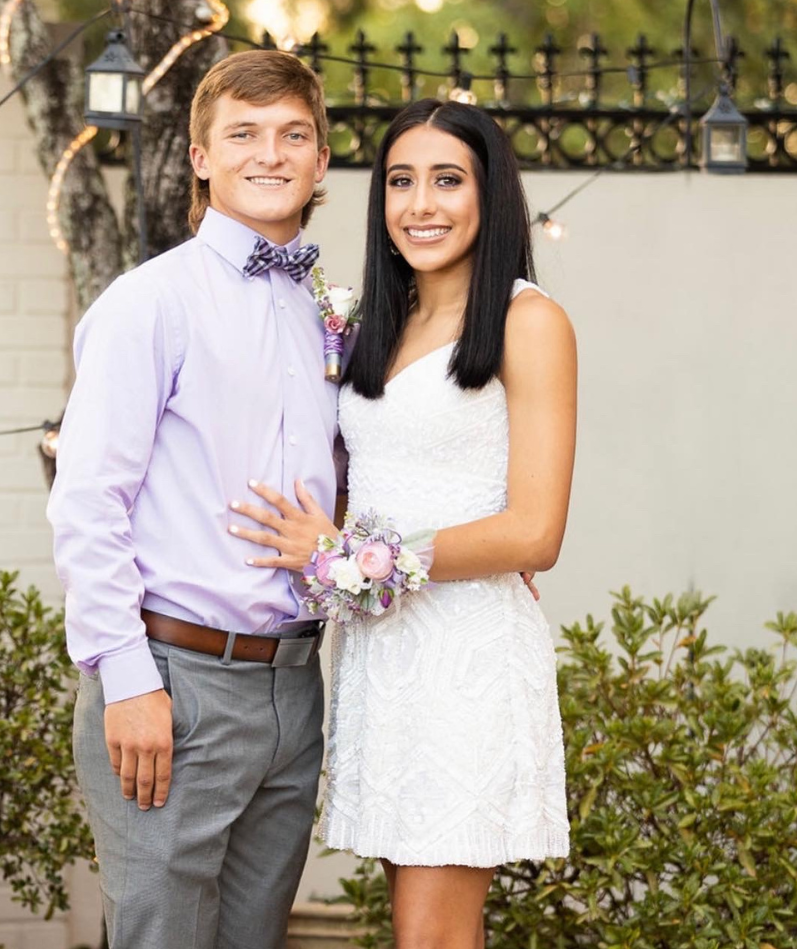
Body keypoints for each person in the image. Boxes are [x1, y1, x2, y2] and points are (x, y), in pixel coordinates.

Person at [228, 99, 575, 949]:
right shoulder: (373, 325)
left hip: (465, 659)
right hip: (381, 660)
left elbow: (535, 532)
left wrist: (349, 556)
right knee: (422, 929)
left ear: (491, 196)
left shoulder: (529, 322)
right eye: (400, 181)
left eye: (448, 181)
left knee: (432, 937)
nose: (421, 205)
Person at [46, 50, 340, 949]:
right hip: (176, 685)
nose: (270, 153)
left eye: (293, 134)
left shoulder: (325, 313)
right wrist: (127, 677)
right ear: (202, 157)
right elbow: (87, 501)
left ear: (322, 159)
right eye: (243, 134)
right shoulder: (150, 302)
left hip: (295, 687)